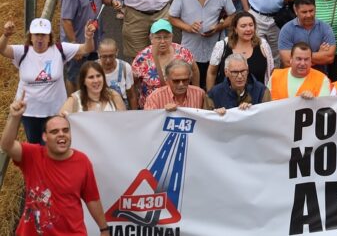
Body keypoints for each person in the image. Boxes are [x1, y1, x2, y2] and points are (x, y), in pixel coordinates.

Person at [2, 95, 111, 235]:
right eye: (54, 132)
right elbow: (7, 146)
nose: (61, 134)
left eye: (65, 130)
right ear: (44, 137)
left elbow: (92, 199)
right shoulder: (32, 155)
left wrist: (104, 229)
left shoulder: (82, 161)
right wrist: (14, 117)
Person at [1, 18, 93, 142]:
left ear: (49, 37)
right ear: (31, 37)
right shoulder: (22, 51)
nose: (40, 38)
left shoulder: (60, 50)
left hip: (56, 111)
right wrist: (6, 35)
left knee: (54, 146)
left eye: (44, 35)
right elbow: (2, 49)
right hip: (29, 112)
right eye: (37, 34)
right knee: (35, 147)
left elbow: (87, 48)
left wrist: (88, 36)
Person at [168, 0, 235, 79]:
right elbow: (172, 18)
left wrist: (219, 27)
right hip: (190, 47)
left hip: (214, 48)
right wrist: (188, 27)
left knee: (213, 80)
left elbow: (232, 16)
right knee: (189, 81)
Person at [131, 20, 199, 109]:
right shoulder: (142, 58)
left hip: (180, 106)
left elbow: (194, 70)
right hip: (151, 107)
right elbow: (132, 82)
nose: (162, 41)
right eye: (158, 38)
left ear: (172, 37)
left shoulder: (182, 53)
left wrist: (195, 94)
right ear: (151, 38)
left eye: (166, 37)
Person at [143, 59, 214, 110]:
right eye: (176, 81)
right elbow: (149, 122)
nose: (181, 84)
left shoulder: (199, 94)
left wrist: (218, 114)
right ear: (167, 80)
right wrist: (162, 113)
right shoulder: (155, 97)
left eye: (185, 80)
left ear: (190, 79)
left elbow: (208, 118)